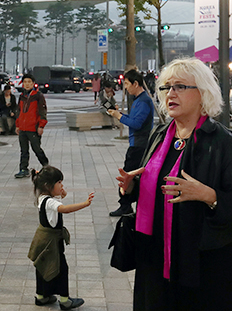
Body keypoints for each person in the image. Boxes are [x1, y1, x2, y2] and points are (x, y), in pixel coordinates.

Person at [116, 57, 232, 310]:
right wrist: (132, 186)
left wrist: (208, 194)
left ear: (203, 94)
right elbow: (153, 188)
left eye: (180, 86)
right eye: (166, 87)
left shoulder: (225, 143)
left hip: (201, 262)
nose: (170, 93)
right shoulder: (160, 134)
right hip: (154, 257)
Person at [28, 166, 95, 310]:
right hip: (51, 241)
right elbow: (64, 209)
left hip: (43, 238)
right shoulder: (50, 202)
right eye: (59, 182)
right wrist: (85, 204)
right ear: (48, 185)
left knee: (42, 266)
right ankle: (65, 300)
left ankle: (42, 297)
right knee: (61, 268)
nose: (62, 185)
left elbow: (62, 196)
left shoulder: (43, 197)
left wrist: (61, 191)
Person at [107, 69, 154, 216]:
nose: (125, 87)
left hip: (140, 145)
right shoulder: (138, 100)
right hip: (137, 143)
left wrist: (119, 117)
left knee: (127, 175)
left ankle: (126, 205)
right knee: (132, 175)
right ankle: (131, 204)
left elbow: (137, 123)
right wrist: (119, 114)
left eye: (127, 84)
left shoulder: (144, 101)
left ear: (136, 83)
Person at [15, 73, 49, 179]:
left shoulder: (38, 96)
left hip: (33, 128)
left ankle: (46, 166)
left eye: (29, 82)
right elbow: (18, 111)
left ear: (33, 83)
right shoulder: (22, 96)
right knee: (23, 150)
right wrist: (17, 125)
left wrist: (41, 126)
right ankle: (23, 169)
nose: (27, 84)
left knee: (37, 149)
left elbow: (42, 111)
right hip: (23, 128)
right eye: (25, 82)